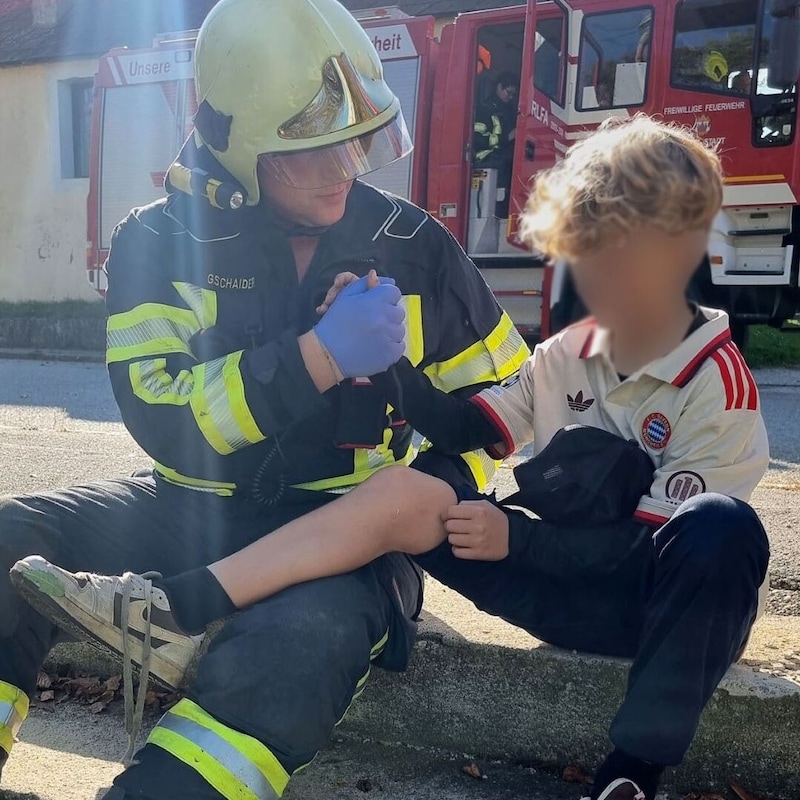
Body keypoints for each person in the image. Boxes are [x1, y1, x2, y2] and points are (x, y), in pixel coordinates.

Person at [13, 115, 770, 800]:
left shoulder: (711, 383)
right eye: (590, 246)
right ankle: (180, 607)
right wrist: (362, 360)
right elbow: (466, 422)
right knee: (402, 492)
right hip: (537, 579)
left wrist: (498, 527)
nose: (345, 164)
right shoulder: (570, 354)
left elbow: (648, 546)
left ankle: (631, 776)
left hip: (652, 601)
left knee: (719, 527)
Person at [0, 0, 528, 798]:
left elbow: (507, 412)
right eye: (307, 152)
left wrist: (424, 441)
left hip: (342, 536)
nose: (344, 169)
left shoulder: (414, 245)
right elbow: (166, 420)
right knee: (11, 534)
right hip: (190, 505)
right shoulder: (157, 240)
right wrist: (315, 358)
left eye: (354, 142)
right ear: (238, 151)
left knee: (300, 641)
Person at [472, 69, 519, 218]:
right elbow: (477, 138)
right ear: (499, 87)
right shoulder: (485, 109)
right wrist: (506, 138)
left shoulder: (510, 111)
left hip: (500, 156)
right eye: (508, 92)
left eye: (513, 94)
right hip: (485, 157)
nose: (510, 97)